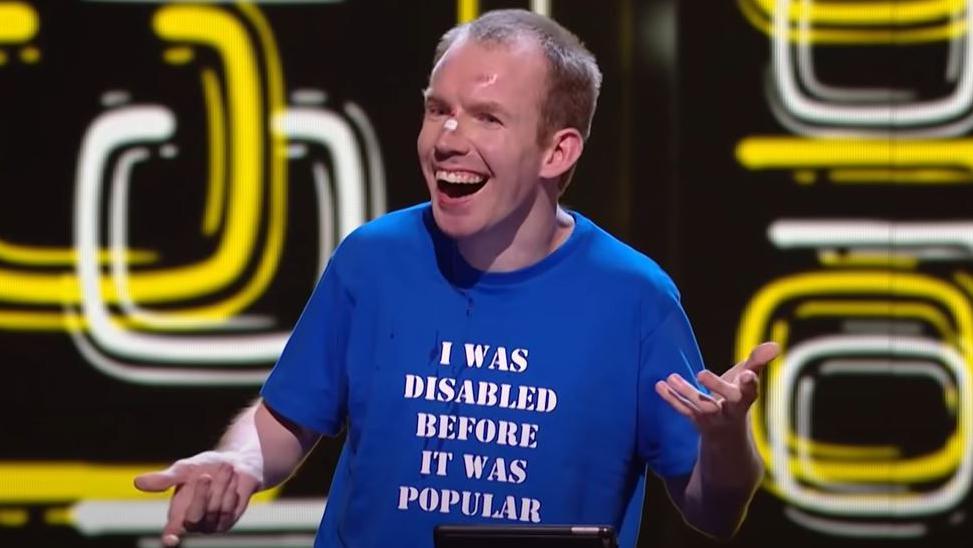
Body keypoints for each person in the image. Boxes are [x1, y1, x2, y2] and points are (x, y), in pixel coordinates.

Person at [134, 9, 778, 548]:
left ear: (558, 151)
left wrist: (726, 440)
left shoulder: (635, 298)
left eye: (487, 118)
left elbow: (714, 512)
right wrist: (240, 461)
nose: (447, 137)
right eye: (438, 109)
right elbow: (285, 419)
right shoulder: (373, 260)